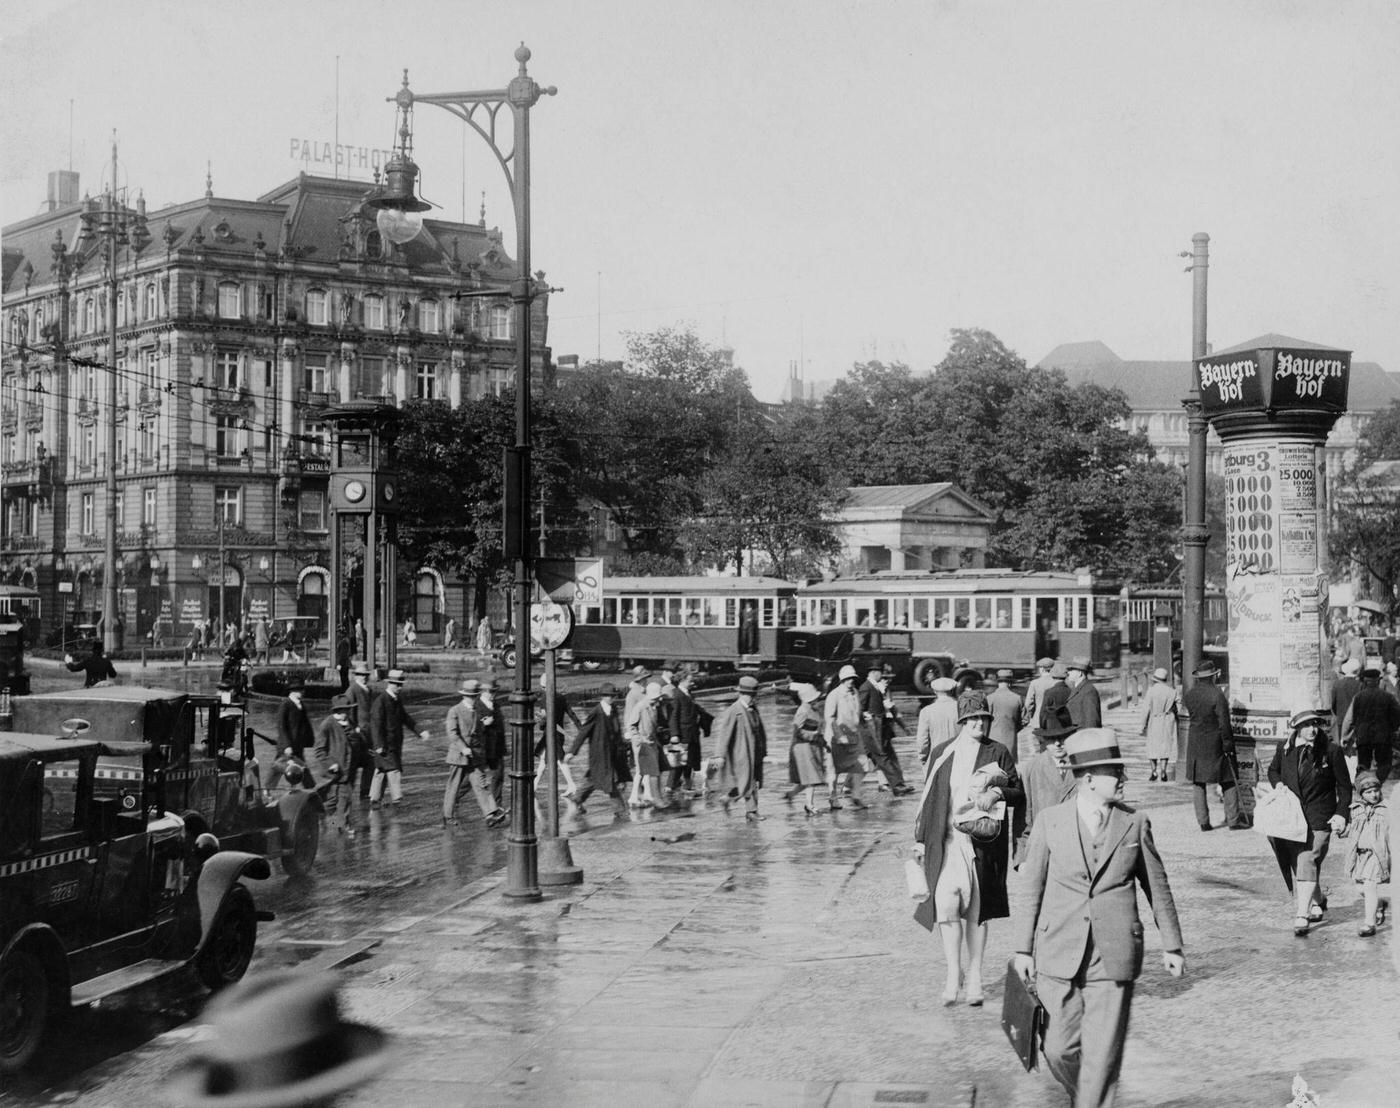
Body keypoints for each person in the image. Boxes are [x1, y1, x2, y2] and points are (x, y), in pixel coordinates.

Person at [1011, 728, 1185, 1108]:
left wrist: (1172, 944)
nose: (1123, 778)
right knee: (1058, 1048)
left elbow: (1158, 885)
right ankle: (1087, 1096)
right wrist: (1023, 950)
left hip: (1114, 955)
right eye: (1115, 773)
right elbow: (1032, 891)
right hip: (1059, 952)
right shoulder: (1049, 822)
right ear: (1088, 779)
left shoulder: (1134, 822)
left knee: (1103, 1054)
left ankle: (1093, 1101)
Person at [913, 704, 1022, 1007]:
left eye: (984, 718)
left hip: (982, 844)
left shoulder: (997, 751)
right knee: (945, 907)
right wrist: (921, 841)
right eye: (973, 718)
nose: (979, 723)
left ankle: (974, 975)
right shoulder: (943, 752)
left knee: (977, 911)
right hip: (946, 842)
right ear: (962, 721)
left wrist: (997, 792)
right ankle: (953, 973)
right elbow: (928, 799)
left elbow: (1017, 790)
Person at [1267, 704, 1352, 937]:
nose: (1312, 729)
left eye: (1315, 724)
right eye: (1306, 725)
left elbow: (1345, 787)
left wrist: (1341, 814)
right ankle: (1319, 900)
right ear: (1296, 728)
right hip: (1291, 818)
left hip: (1320, 817)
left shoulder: (1331, 751)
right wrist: (1279, 784)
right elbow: (1272, 771)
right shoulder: (1284, 749)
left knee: (1307, 859)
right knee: (1300, 863)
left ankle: (1301, 914)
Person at [1183, 659, 1243, 831]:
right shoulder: (1217, 695)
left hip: (1195, 742)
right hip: (1216, 743)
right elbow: (1224, 723)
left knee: (1198, 781)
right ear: (1214, 676)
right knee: (1228, 779)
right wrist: (1228, 744)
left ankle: (1203, 822)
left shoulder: (1190, 694)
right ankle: (1233, 820)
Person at [1013, 720, 1079, 866]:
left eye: (1063, 737)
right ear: (1043, 740)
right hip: (1045, 852)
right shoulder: (1032, 770)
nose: (1058, 743)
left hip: (1078, 850)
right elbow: (1024, 820)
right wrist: (1022, 859)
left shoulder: (1083, 766)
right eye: (1051, 738)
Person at [368, 668, 430, 808]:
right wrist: (378, 745)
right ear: (389, 683)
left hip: (394, 744)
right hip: (384, 744)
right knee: (393, 770)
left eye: (401, 684)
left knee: (382, 770)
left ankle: (374, 799)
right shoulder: (381, 701)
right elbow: (375, 724)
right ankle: (397, 799)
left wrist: (419, 731)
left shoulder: (396, 700)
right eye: (397, 684)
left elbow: (405, 718)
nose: (400, 687)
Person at [711, 674, 768, 821]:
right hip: (740, 753)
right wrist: (720, 755)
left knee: (752, 781)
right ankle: (751, 811)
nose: (753, 698)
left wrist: (763, 749)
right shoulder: (733, 711)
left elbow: (760, 730)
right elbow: (724, 734)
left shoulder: (753, 709)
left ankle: (728, 799)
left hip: (754, 752)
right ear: (744, 694)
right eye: (751, 695)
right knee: (747, 782)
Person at [569, 685, 631, 815]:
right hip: (600, 752)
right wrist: (572, 751)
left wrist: (622, 744)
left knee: (594, 778)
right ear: (603, 696)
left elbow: (617, 730)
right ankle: (621, 810)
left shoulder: (613, 709)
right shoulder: (596, 712)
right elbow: (583, 732)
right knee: (609, 779)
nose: (612, 698)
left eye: (613, 696)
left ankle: (577, 798)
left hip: (613, 752)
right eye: (609, 696)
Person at [1343, 769, 1391, 937]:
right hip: (1360, 854)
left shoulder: (1387, 809)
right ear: (1361, 794)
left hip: (1377, 854)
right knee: (1360, 887)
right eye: (1369, 792)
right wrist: (1341, 829)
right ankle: (1378, 904)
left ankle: (1369, 924)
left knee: (1370, 885)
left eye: (1376, 790)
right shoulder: (1355, 809)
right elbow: (1351, 830)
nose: (1374, 795)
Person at [859, 665, 914, 796]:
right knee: (880, 758)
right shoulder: (866, 687)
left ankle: (898, 784)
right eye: (880, 673)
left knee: (878, 757)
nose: (882, 676)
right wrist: (866, 718)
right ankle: (897, 786)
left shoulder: (875, 687)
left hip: (880, 729)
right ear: (874, 672)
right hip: (873, 729)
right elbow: (860, 708)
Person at [1343, 666, 1399, 784]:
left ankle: (1363, 786)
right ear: (1378, 681)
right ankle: (1378, 781)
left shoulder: (1358, 697)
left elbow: (1349, 720)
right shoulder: (1388, 697)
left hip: (1363, 737)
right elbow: (1397, 715)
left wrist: (1345, 736)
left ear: (1365, 681)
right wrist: (1392, 728)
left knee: (1363, 765)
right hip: (1383, 737)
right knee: (1384, 764)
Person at [313, 694, 359, 837]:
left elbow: (353, 743)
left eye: (349, 710)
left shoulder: (349, 723)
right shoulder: (327, 725)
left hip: (348, 769)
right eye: (346, 710)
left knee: (343, 800)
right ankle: (333, 823)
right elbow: (319, 750)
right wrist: (330, 764)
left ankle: (338, 824)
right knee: (336, 800)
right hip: (334, 771)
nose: (349, 713)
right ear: (338, 711)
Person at [824, 664, 867, 810]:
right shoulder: (834, 695)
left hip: (854, 735)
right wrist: (839, 735)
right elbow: (829, 718)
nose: (851, 681)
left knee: (861, 765)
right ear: (842, 679)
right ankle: (833, 797)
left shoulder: (855, 692)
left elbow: (857, 713)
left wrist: (863, 720)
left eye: (852, 678)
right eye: (848, 679)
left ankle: (856, 796)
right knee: (834, 770)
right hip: (837, 738)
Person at [533, 672, 581, 798]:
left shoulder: (544, 699)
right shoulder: (561, 697)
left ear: (543, 686)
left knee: (560, 760)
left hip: (550, 733)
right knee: (544, 760)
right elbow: (571, 714)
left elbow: (545, 717)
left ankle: (571, 785)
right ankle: (534, 786)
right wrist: (581, 729)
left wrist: (538, 720)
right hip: (559, 731)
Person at [669, 666, 712, 797]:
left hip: (692, 733)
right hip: (684, 734)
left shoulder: (688, 694)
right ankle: (671, 786)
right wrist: (674, 734)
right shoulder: (677, 695)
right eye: (689, 680)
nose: (692, 682)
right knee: (682, 761)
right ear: (682, 681)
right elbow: (673, 716)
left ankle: (687, 785)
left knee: (690, 760)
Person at [625, 681, 667, 809]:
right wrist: (640, 739)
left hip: (653, 742)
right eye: (658, 696)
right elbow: (631, 726)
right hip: (643, 744)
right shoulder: (641, 707)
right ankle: (656, 799)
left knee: (653, 770)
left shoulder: (654, 706)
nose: (660, 699)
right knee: (651, 771)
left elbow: (653, 724)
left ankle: (647, 796)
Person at [788, 683, 828, 815]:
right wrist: (813, 736)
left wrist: (824, 744)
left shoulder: (814, 709)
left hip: (812, 746)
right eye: (814, 699)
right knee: (811, 778)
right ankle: (809, 805)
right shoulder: (803, 711)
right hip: (803, 748)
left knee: (809, 778)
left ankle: (791, 794)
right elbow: (797, 732)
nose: (817, 701)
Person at [474, 680, 509, 825]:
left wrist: (503, 747)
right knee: (473, 779)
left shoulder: (496, 705)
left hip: (497, 748)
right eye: (490, 692)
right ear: (483, 692)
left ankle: (497, 806)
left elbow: (501, 729)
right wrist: (483, 724)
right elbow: (472, 727)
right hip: (484, 748)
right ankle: (455, 797)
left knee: (498, 776)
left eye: (495, 691)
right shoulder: (476, 706)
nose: (493, 694)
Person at [1139, 667, 1180, 783]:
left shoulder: (1151, 691)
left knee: (1152, 746)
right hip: (1167, 720)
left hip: (1155, 719)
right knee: (1165, 746)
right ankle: (1163, 770)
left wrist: (1142, 725)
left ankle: (1153, 771)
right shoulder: (1172, 691)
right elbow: (1179, 705)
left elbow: (1145, 709)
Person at [277, 679, 317, 784]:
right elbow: (281, 726)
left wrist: (309, 740)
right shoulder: (286, 704)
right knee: (280, 767)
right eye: (300, 690)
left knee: (296, 765)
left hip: (298, 743)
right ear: (293, 692)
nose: (303, 692)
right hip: (288, 745)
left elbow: (305, 724)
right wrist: (287, 745)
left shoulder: (300, 705)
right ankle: (310, 786)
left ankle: (310, 787)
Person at [916, 676, 961, 769]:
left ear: (935, 692)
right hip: (959, 757)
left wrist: (922, 757)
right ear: (952, 691)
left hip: (936, 758)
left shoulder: (926, 711)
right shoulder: (961, 709)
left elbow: (922, 740)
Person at [346, 662, 375, 803]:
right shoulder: (352, 691)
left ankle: (365, 792)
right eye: (360, 675)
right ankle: (346, 796)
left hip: (368, 735)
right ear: (355, 676)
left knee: (370, 763)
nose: (363, 677)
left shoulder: (368, 690)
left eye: (365, 675)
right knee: (352, 767)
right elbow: (348, 712)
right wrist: (354, 728)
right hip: (357, 737)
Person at [987, 669, 1023, 763]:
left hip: (992, 740)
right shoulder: (1017, 698)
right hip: (1011, 740)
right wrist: (1013, 728)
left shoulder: (990, 698)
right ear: (1010, 683)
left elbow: (985, 721)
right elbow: (1023, 720)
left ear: (997, 682)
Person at [1064, 657, 1102, 728]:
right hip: (1075, 735)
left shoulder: (1089, 691)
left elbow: (1092, 720)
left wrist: (1087, 737)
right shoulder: (1078, 688)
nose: (1068, 672)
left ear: (1080, 673)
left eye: (1071, 670)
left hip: (1083, 735)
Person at [1021, 657, 1056, 731]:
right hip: (1054, 720)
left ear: (1042, 669)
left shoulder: (1035, 683)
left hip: (1038, 720)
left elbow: (1028, 703)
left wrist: (1028, 717)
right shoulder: (1056, 682)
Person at [1038, 662, 1072, 730]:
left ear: (1053, 677)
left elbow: (1043, 714)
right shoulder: (1071, 691)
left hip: (1052, 729)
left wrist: (1043, 728)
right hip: (1069, 728)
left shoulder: (1049, 692)